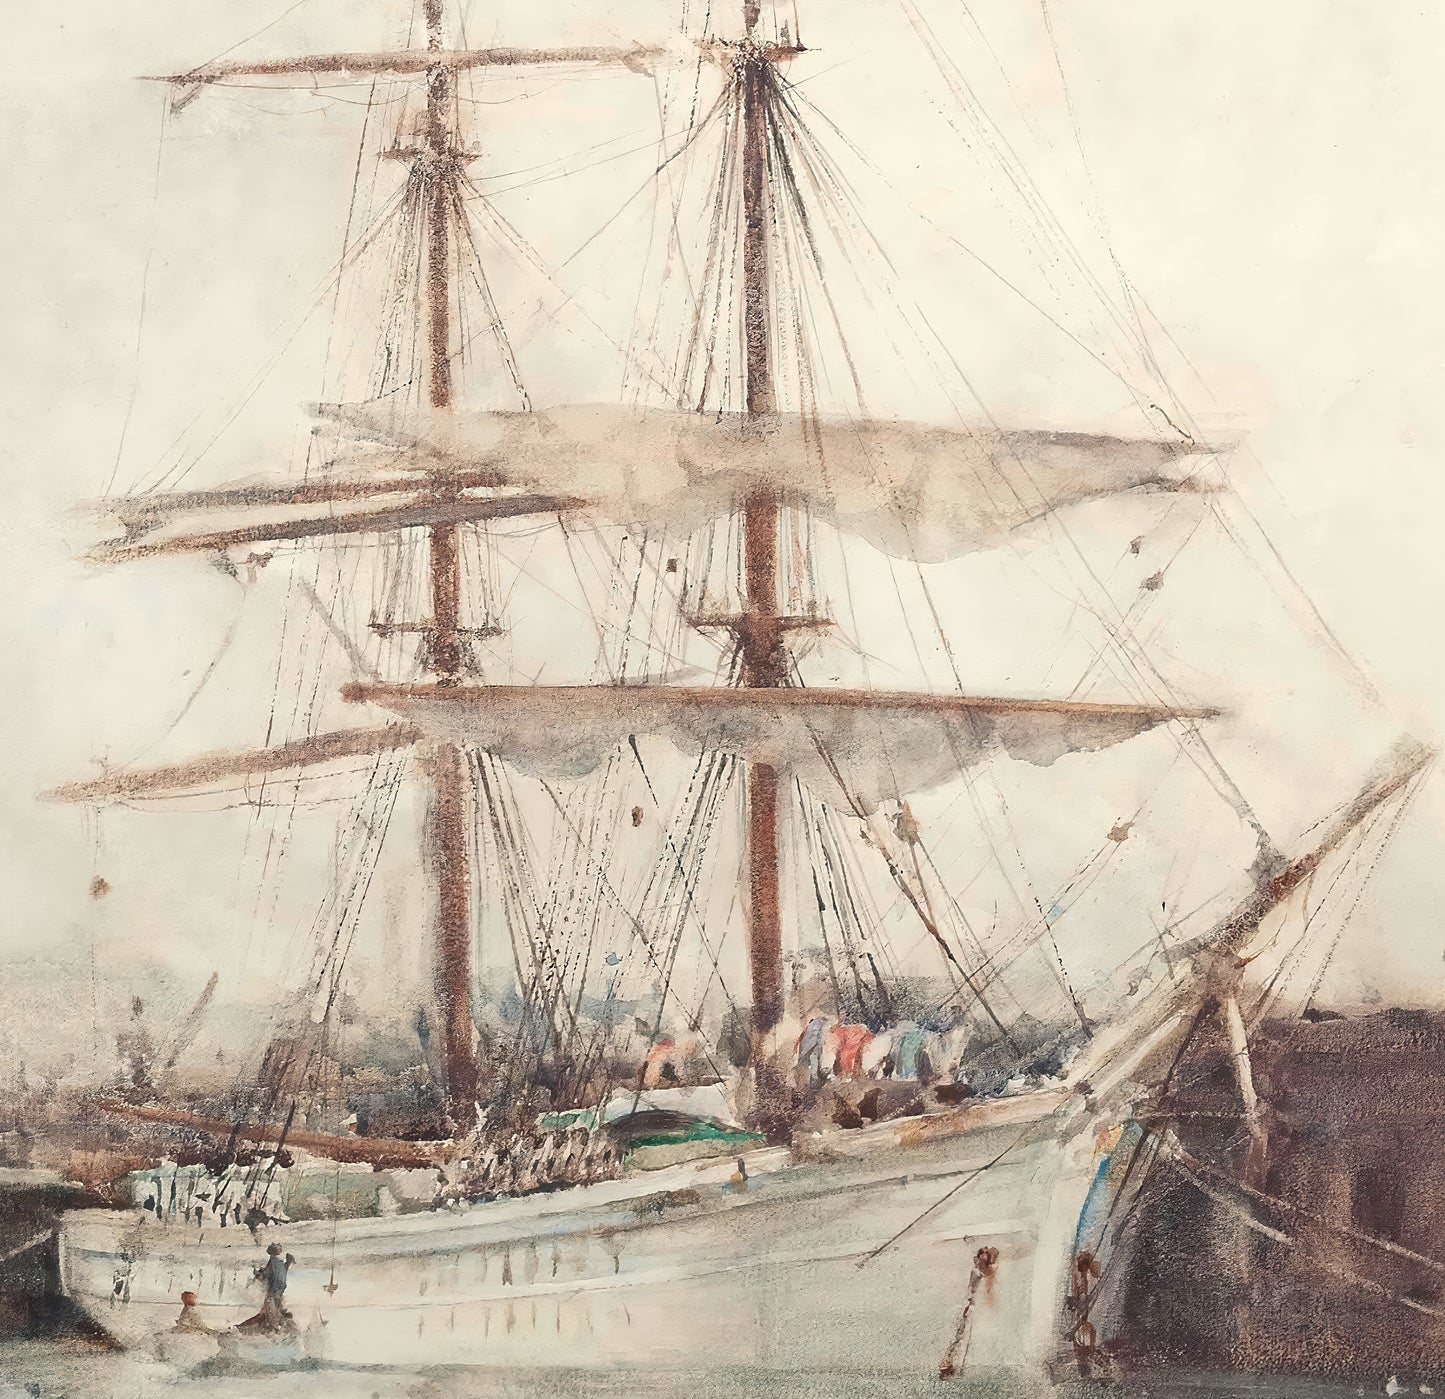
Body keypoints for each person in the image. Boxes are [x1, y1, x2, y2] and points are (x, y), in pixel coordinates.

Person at [239, 1242, 296, 1333]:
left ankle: (251, 1330)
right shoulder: (279, 1264)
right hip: (276, 1296)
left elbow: (262, 1277)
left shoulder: (275, 1264)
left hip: (273, 1296)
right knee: (271, 1317)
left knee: (270, 1317)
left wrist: (257, 1275)